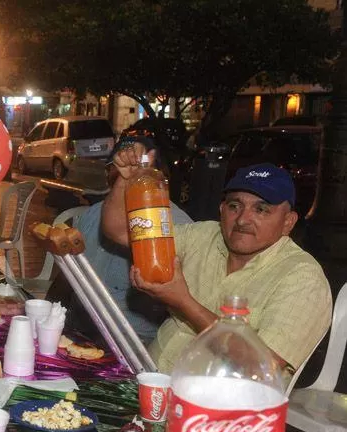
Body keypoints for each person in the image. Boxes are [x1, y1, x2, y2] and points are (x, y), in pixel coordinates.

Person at [101, 148, 332, 377]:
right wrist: (126, 180)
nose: (242, 219)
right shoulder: (205, 235)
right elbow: (120, 231)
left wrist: (184, 303)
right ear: (221, 210)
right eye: (234, 206)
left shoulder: (302, 277)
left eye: (261, 210)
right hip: (148, 381)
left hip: (214, 407)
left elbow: (261, 367)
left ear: (288, 222)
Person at [51, 138, 193, 344]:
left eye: (143, 168)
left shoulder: (176, 226)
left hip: (132, 344)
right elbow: (66, 278)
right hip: (77, 330)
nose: (133, 176)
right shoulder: (92, 215)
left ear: (161, 175)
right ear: (109, 174)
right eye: (119, 169)